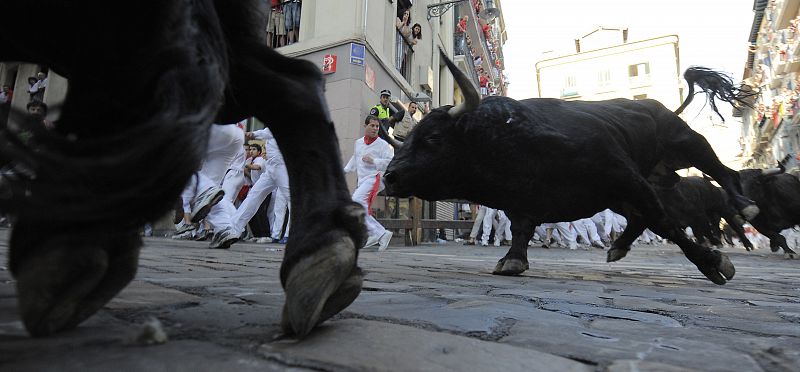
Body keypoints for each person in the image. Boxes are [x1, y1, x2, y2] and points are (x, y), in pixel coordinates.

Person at [344, 115, 394, 251]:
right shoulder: (358, 143)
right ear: (365, 126)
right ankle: (376, 233)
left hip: (375, 178)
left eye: (377, 126)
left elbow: (391, 162)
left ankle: (380, 233)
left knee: (356, 201)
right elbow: (355, 158)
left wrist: (375, 161)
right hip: (363, 180)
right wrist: (345, 170)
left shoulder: (383, 145)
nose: (375, 128)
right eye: (372, 125)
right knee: (360, 208)